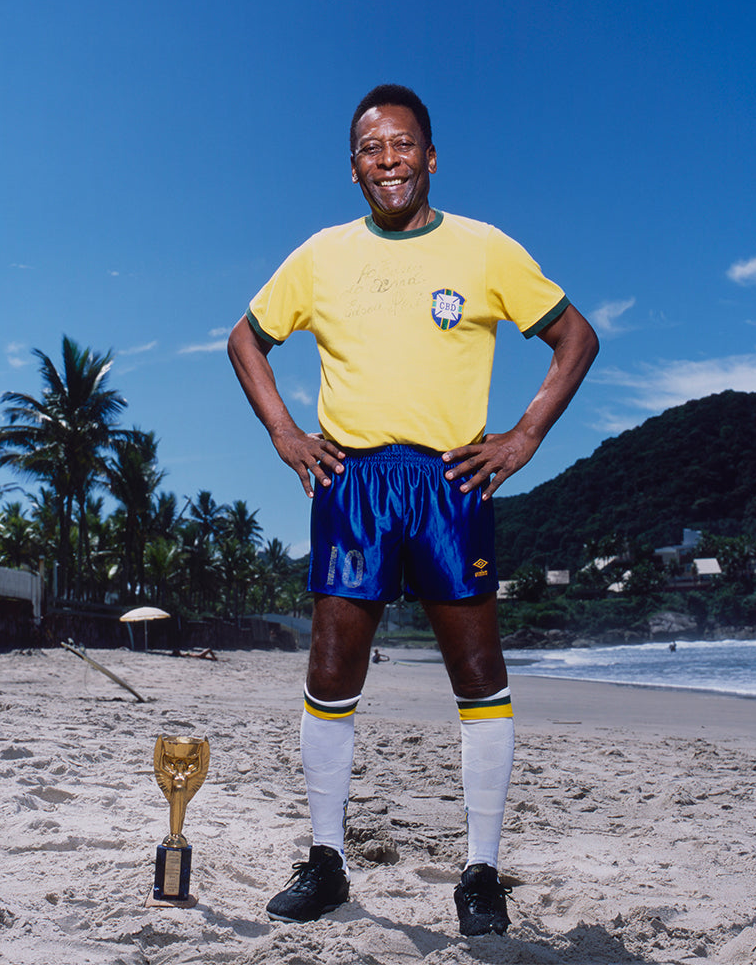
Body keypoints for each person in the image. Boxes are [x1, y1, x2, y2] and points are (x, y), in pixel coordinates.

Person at [227, 84, 598, 936]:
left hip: (448, 483)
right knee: (331, 673)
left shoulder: (485, 249)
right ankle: (325, 862)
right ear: (353, 165)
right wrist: (285, 432)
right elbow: (246, 337)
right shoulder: (320, 256)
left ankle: (480, 874)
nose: (387, 161)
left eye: (402, 146)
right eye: (370, 148)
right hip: (351, 482)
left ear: (431, 157)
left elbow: (575, 336)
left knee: (479, 676)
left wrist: (525, 436)